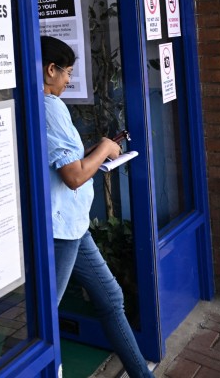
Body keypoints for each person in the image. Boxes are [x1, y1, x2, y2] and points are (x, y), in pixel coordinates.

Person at [41, 35, 154, 378]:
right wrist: (104, 148)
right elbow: (74, 176)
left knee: (110, 299)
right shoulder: (48, 107)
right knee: (41, 321)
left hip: (72, 225)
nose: (68, 80)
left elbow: (66, 162)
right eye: (67, 72)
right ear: (50, 70)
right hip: (62, 229)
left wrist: (94, 151)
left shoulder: (41, 105)